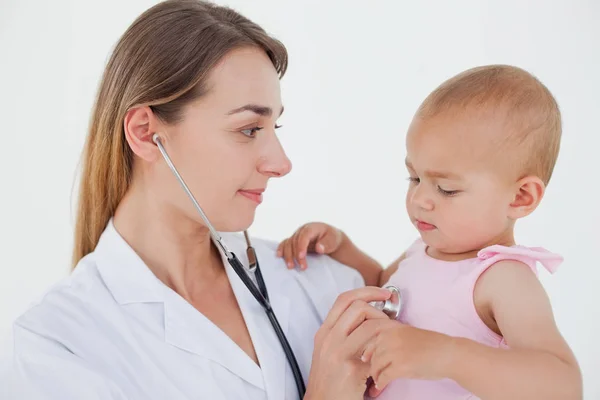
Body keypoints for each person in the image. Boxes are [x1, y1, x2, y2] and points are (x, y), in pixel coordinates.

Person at [4, 1, 393, 399]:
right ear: (145, 133)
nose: (281, 163)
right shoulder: (57, 345)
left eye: (273, 126)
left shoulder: (318, 281)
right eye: (248, 129)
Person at [277, 65, 583, 399]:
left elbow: (563, 385)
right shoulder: (423, 250)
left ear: (520, 197)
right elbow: (383, 283)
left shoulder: (502, 277)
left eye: (447, 189)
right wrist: (341, 247)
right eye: (415, 178)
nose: (420, 199)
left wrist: (446, 354)